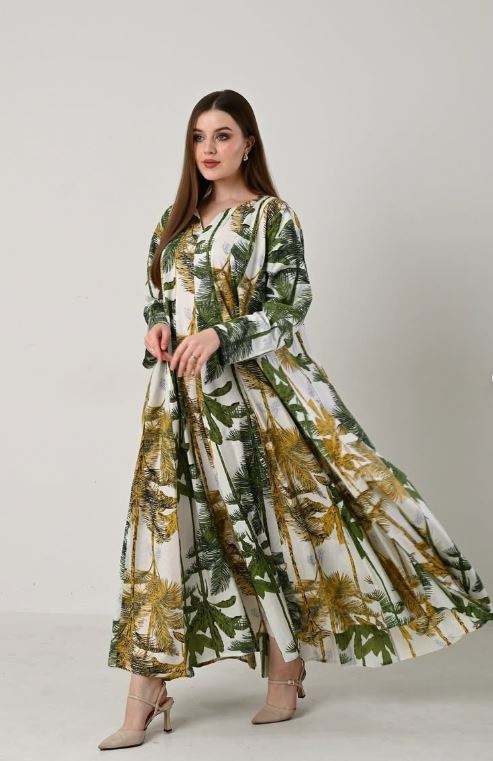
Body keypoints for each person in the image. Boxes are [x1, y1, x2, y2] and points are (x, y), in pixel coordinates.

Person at [98, 89, 493, 750]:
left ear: (248, 142)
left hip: (255, 402)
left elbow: (289, 305)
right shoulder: (175, 218)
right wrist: (157, 326)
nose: (208, 149)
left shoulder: (270, 217)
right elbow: (156, 293)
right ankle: (144, 692)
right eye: (198, 137)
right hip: (179, 402)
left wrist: (220, 335)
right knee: (166, 532)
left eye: (223, 135)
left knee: (271, 525)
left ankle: (286, 668)